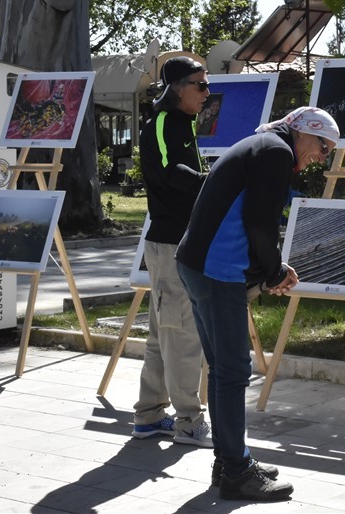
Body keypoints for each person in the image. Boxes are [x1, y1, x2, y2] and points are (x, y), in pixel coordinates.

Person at [175, 106, 339, 502]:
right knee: (233, 371)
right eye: (322, 145)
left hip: (198, 264)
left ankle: (230, 459)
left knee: (222, 370)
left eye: (329, 151)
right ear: (303, 132)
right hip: (217, 270)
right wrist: (272, 273)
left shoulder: (261, 144)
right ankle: (236, 472)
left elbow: (247, 217)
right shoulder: (276, 152)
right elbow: (260, 221)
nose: (323, 156)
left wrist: (271, 268)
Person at [132, 56, 212, 447]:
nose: (207, 93)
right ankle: (188, 422)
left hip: (180, 240)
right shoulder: (163, 122)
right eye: (201, 85)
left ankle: (149, 416)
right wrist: (213, 184)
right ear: (178, 87)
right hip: (169, 243)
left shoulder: (184, 123)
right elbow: (168, 173)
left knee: (162, 334)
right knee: (181, 336)